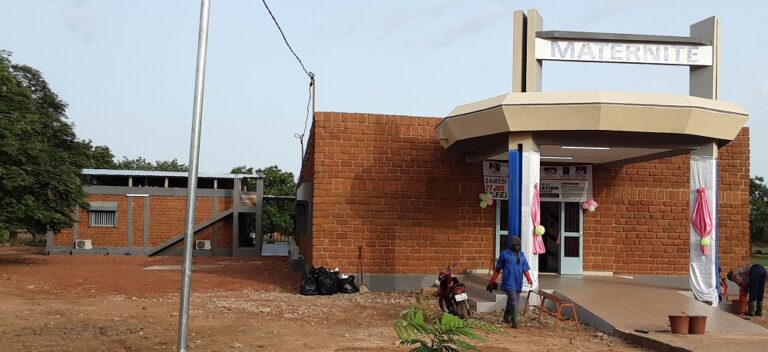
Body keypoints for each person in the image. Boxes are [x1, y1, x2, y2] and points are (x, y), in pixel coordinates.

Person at [486, 236, 533, 328]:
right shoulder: (504, 254)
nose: (518, 247)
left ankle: (506, 317)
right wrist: (491, 281)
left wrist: (529, 279)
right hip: (508, 281)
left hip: (518, 281)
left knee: (513, 300)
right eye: (516, 245)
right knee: (514, 300)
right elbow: (497, 270)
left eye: (519, 245)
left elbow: (525, 269)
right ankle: (514, 322)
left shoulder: (522, 255)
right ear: (511, 245)